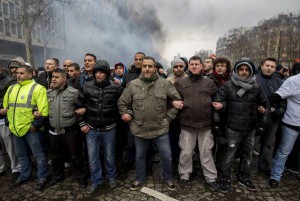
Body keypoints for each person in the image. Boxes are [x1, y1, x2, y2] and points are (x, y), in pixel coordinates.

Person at [118, 56, 181, 191]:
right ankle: (139, 179)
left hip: (160, 129)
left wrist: (168, 119)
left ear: (155, 68)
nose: (147, 68)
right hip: (139, 129)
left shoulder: (165, 84)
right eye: (144, 66)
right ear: (141, 67)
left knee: (166, 155)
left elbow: (177, 102)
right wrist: (128, 116)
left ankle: (168, 178)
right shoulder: (133, 85)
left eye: (150, 66)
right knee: (140, 156)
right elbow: (122, 103)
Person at [213, 59, 269, 193]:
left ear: (251, 71)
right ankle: (225, 178)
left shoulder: (256, 86)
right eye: (241, 69)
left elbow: (265, 104)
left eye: (247, 69)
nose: (244, 72)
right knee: (229, 155)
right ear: (236, 70)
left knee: (248, 155)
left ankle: (244, 177)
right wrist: (218, 124)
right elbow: (218, 103)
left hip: (250, 127)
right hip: (232, 127)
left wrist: (262, 113)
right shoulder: (228, 86)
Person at [173, 56, 219, 192]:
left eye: (196, 64)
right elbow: (171, 99)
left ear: (201, 66)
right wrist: (172, 102)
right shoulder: (180, 83)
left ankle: (211, 178)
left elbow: (218, 99)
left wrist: (221, 104)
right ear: (189, 66)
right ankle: (184, 175)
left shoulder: (209, 83)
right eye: (191, 64)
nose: (194, 66)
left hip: (205, 124)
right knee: (186, 152)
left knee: (206, 152)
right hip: (187, 124)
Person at [0, 63, 49, 190]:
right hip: (16, 130)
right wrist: (9, 123)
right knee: (21, 156)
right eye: (17, 73)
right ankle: (25, 175)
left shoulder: (38, 88)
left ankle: (42, 176)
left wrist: (35, 126)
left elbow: (44, 111)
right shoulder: (11, 88)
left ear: (30, 74)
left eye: (21, 73)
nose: (18, 75)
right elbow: (6, 108)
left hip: (31, 130)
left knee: (39, 155)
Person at [77, 60, 123, 194]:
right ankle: (96, 180)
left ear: (107, 74)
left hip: (109, 129)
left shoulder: (116, 88)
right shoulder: (87, 86)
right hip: (91, 129)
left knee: (109, 156)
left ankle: (111, 177)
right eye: (96, 71)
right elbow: (79, 106)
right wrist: (82, 124)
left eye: (101, 72)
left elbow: (123, 105)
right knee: (93, 158)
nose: (98, 74)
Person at [46, 69, 87, 187]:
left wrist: (83, 110)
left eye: (57, 77)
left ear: (64, 79)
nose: (53, 79)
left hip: (70, 131)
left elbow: (81, 108)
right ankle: (58, 176)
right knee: (55, 156)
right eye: (53, 77)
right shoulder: (48, 93)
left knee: (76, 156)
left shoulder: (74, 92)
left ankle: (81, 177)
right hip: (54, 131)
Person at [269, 61, 300, 188]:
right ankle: (275, 176)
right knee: (284, 151)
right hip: (292, 123)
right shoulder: (293, 81)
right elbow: (276, 96)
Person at [255, 58, 286, 176]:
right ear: (262, 66)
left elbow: (284, 99)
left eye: (272, 66)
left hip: (274, 118)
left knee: (268, 143)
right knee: (253, 142)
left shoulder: (279, 81)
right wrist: (257, 107)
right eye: (267, 65)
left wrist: (279, 110)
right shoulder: (255, 80)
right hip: (258, 117)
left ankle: (263, 166)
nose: (269, 68)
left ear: (275, 68)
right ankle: (244, 166)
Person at [121, 52, 145, 170]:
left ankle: (146, 165)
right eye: (136, 59)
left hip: (145, 113)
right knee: (131, 142)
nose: (138, 61)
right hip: (131, 114)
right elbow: (124, 93)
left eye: (141, 59)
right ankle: (130, 162)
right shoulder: (128, 74)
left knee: (145, 142)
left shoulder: (148, 73)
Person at [0, 65, 21, 184]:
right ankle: (1, 168)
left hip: (4, 117)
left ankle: (16, 169)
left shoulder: (10, 81)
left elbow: (9, 99)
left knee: (10, 145)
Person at [167, 58, 187, 164]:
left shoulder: (189, 79)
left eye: (180, 66)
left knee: (185, 143)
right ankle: (174, 162)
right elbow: (162, 99)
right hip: (172, 117)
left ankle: (184, 163)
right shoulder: (167, 81)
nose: (178, 69)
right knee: (172, 141)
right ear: (172, 68)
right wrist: (172, 103)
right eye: (175, 66)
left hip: (186, 116)